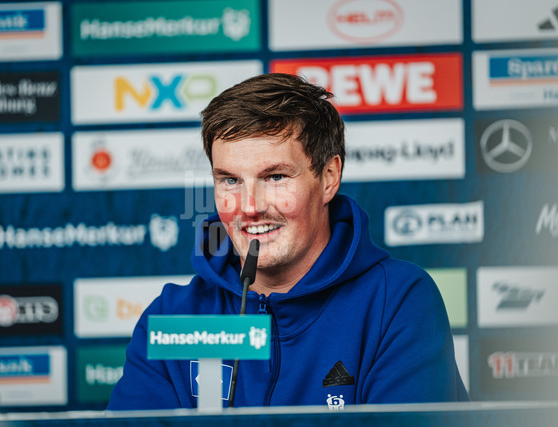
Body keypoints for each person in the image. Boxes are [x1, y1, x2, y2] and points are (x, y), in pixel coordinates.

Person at [107, 73, 469, 410]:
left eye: (275, 177)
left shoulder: (396, 301)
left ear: (329, 177)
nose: (249, 207)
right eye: (230, 180)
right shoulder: (172, 318)